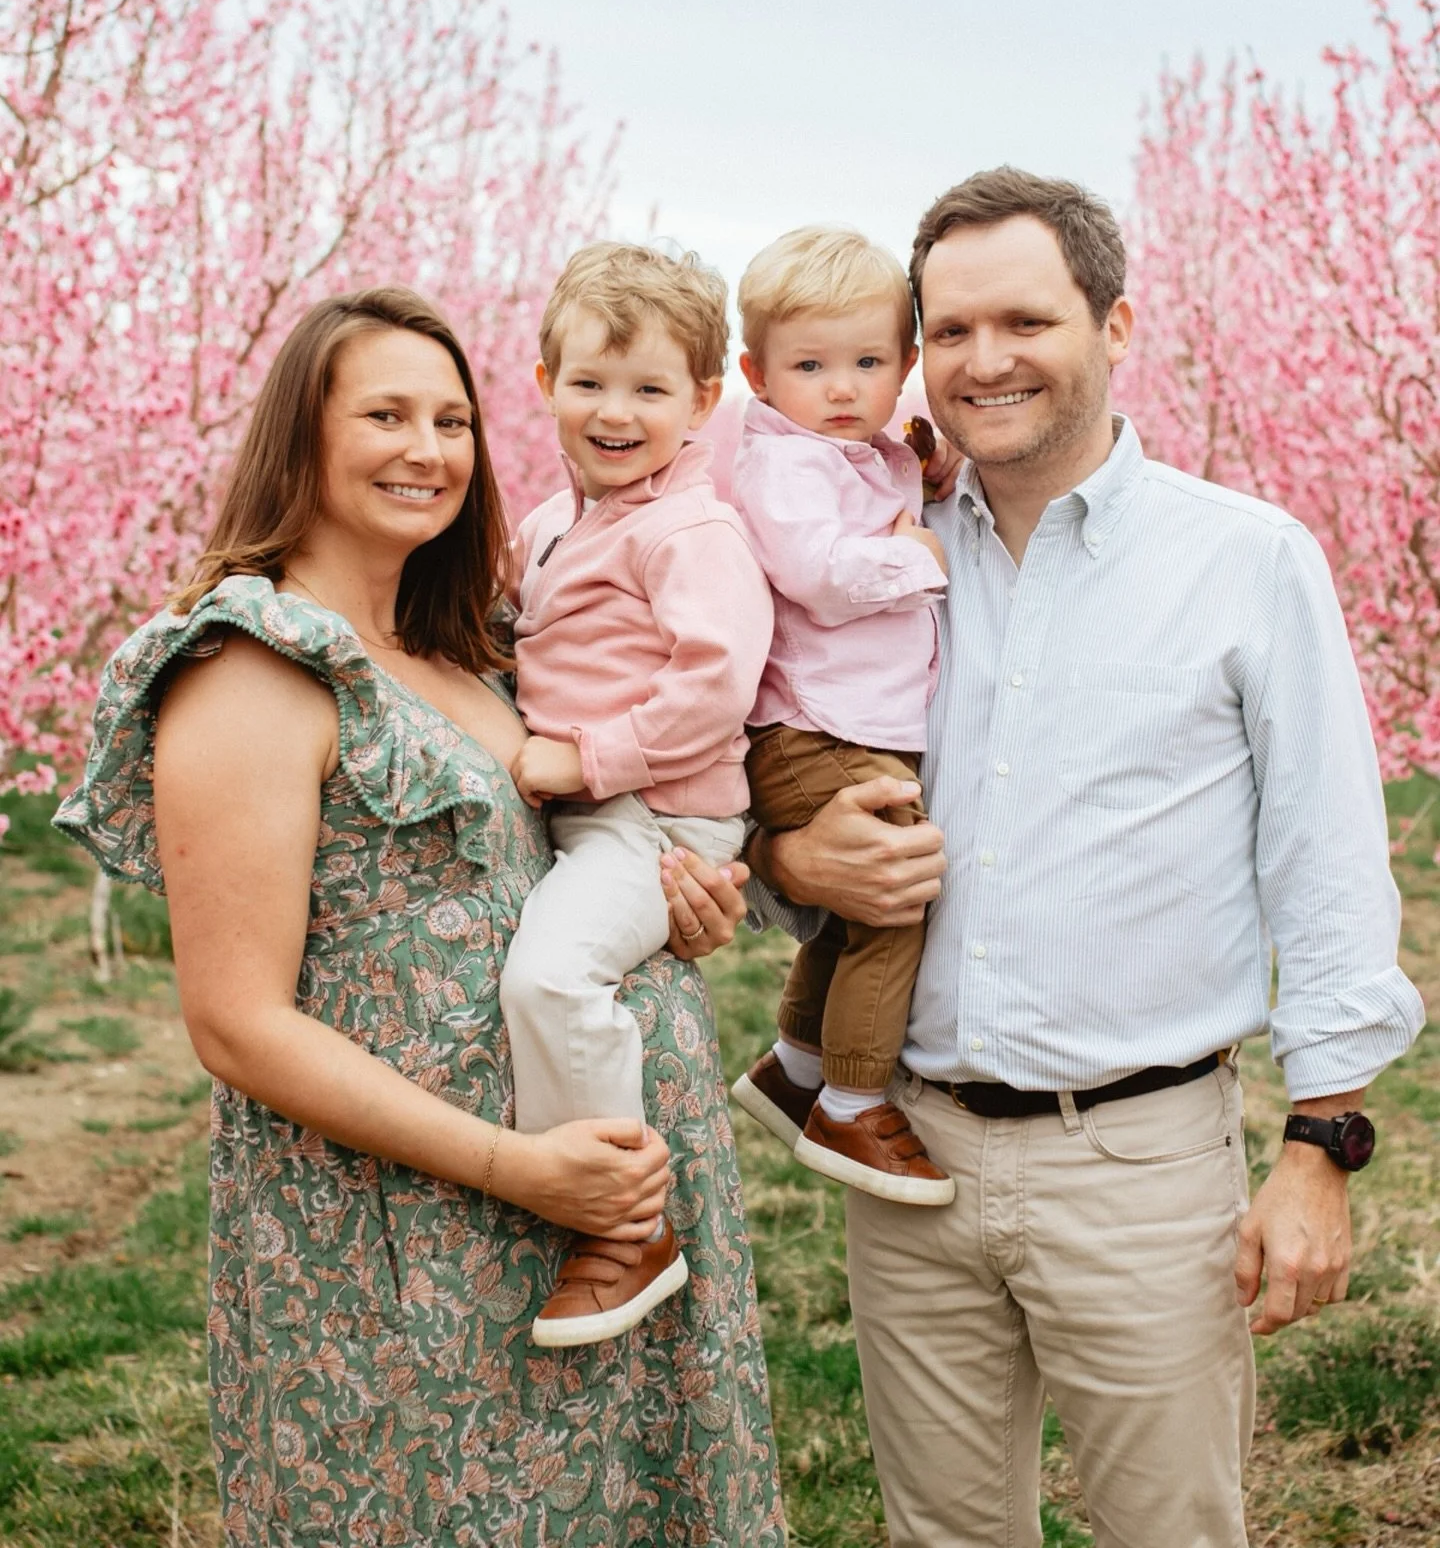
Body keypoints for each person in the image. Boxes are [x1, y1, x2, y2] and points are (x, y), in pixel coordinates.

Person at [741, 169, 1426, 1548]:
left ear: (1115, 326)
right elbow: (769, 754)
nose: (984, 362)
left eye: (1026, 321)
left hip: (1139, 1161)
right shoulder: (869, 554)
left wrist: (1320, 1146)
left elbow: (1329, 862)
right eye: (949, 331)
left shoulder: (1245, 561)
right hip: (910, 1153)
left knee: (1171, 1529)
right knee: (941, 1534)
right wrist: (793, 859)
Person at [55, 286, 786, 1547]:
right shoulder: (256, 667)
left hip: (603, 1224)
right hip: (412, 1238)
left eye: (452, 418)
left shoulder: (475, 656)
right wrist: (520, 1168)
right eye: (386, 414)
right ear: (302, 437)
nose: (430, 448)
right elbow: (235, 1022)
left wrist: (678, 917)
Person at [500, 243, 774, 1345]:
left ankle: (624, 1224)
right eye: (590, 384)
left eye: (651, 390)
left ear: (704, 402)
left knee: (553, 977)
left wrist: (588, 759)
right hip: (597, 815)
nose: (617, 412)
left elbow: (716, 687)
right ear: (544, 385)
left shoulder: (689, 531)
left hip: (655, 818)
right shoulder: (551, 524)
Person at [725, 226, 954, 1204]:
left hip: (849, 726)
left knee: (848, 916)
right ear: (757, 374)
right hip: (813, 728)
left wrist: (929, 475)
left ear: (904, 365)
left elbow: (894, 487)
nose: (842, 388)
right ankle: (853, 1106)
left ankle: (795, 1067)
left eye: (868, 363)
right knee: (896, 898)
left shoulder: (860, 453)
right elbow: (820, 574)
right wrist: (919, 560)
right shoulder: (785, 464)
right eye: (809, 366)